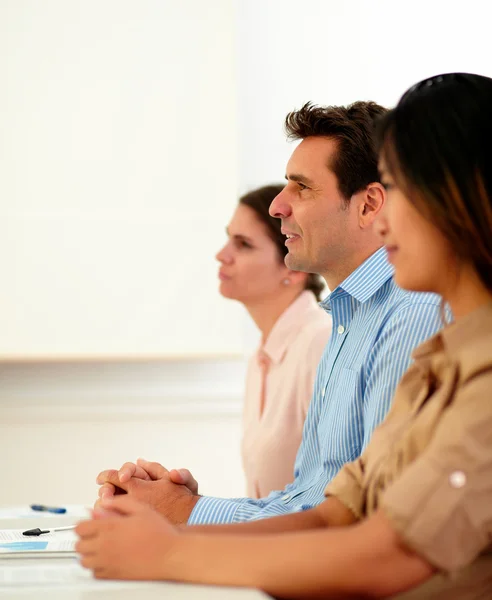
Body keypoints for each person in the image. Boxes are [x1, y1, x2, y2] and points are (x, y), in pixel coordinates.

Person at [77, 72, 492, 598]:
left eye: (400, 187)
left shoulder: (444, 342)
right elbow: (334, 513)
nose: (386, 217)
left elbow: (390, 553)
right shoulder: (440, 358)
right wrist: (175, 527)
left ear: (460, 197)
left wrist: (172, 545)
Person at [93, 101, 443, 527]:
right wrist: (187, 504)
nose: (278, 204)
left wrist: (188, 513)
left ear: (369, 205)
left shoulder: (410, 316)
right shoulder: (350, 317)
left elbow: (368, 519)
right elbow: (307, 498)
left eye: (302, 187)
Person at [216, 184, 332, 497]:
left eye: (242, 244)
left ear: (293, 268)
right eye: (229, 238)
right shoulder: (261, 358)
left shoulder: (319, 342)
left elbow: (324, 496)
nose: (221, 255)